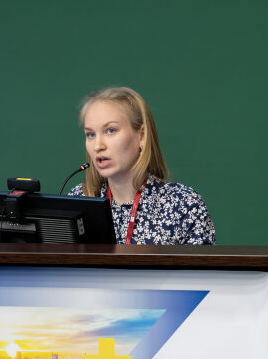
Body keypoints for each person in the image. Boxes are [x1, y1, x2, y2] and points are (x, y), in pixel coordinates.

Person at [70, 86, 216, 246]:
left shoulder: (184, 205)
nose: (98, 146)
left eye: (110, 130)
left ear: (142, 136)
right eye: (90, 134)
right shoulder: (77, 202)